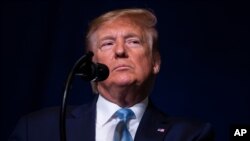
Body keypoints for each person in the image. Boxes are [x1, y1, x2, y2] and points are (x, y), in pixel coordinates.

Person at [9, 8, 214, 141]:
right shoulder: (36, 129)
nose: (120, 51)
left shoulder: (191, 136)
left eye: (133, 41)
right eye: (107, 43)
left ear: (155, 62)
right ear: (91, 66)